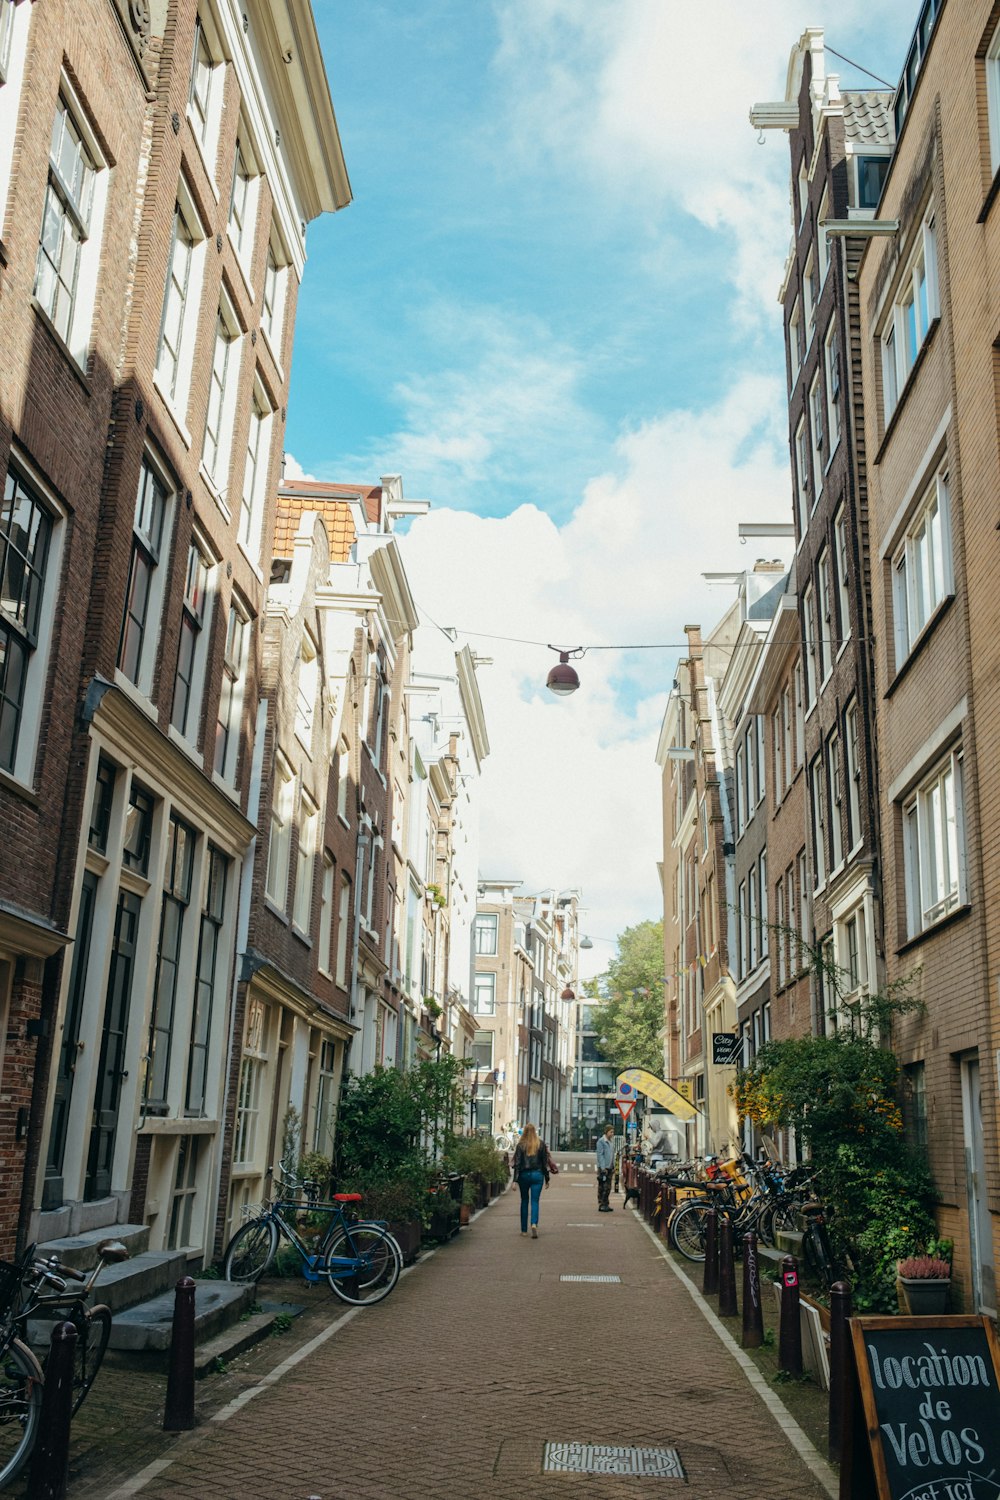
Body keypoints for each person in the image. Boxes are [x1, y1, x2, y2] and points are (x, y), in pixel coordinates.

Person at [513, 1121, 549, 1238]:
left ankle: (524, 1230)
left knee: (524, 1201)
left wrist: (515, 1180)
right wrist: (547, 1178)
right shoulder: (541, 1144)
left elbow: (517, 1164)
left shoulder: (520, 1145)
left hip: (523, 1175)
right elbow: (544, 1163)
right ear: (535, 1132)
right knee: (535, 1201)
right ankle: (534, 1223)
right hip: (537, 1175)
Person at [596, 1125, 615, 1212]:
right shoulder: (601, 1142)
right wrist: (603, 1168)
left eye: (612, 1132)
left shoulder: (610, 1142)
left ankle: (606, 1203)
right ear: (606, 1132)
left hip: (610, 1167)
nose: (612, 1134)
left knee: (608, 1187)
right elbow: (600, 1155)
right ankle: (602, 1204)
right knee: (603, 1186)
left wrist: (613, 1166)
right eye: (611, 1132)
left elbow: (612, 1155)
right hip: (604, 1168)